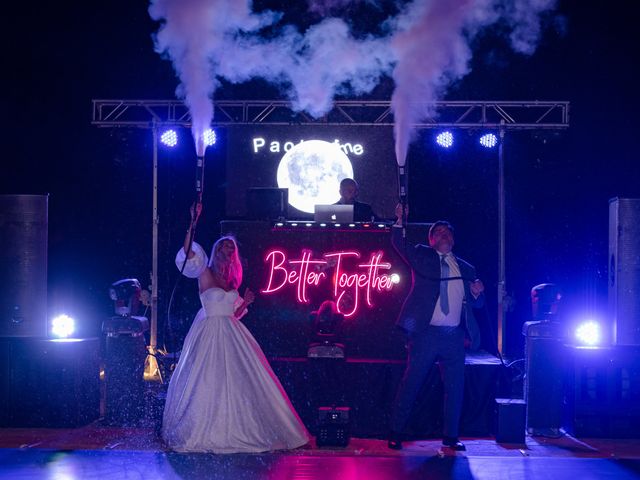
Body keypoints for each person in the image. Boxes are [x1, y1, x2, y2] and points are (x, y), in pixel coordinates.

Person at [162, 203, 310, 453]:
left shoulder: (231, 280)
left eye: (231, 249)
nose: (227, 251)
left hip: (231, 333)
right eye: (224, 247)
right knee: (206, 380)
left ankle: (246, 430)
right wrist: (193, 222)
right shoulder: (204, 272)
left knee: (245, 380)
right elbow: (188, 251)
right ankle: (203, 430)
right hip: (209, 332)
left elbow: (235, 314)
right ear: (217, 249)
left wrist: (246, 304)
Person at [388, 205, 485, 451]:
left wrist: (477, 293)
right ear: (431, 240)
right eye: (439, 232)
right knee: (412, 383)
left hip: (454, 337)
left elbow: (478, 304)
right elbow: (398, 242)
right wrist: (400, 220)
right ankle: (396, 431)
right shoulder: (422, 255)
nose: (444, 235)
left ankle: (451, 436)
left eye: (448, 233)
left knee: (455, 388)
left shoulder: (466, 267)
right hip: (427, 333)